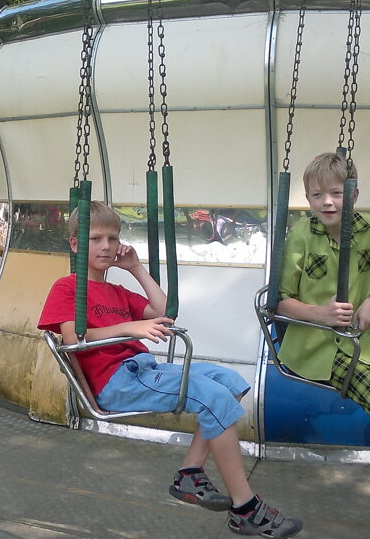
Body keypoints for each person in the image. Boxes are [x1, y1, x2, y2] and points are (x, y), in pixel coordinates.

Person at [38, 201, 302, 538]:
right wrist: (130, 327)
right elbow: (73, 338)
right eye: (95, 239)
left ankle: (190, 472)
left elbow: (166, 311)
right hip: (114, 380)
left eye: (112, 238)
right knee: (213, 398)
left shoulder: (118, 291)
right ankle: (245, 508)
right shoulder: (66, 287)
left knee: (230, 382)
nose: (106, 246)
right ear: (76, 244)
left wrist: (136, 268)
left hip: (141, 370)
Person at [277, 152, 370, 413]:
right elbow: (280, 301)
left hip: (363, 339)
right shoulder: (300, 237)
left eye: (337, 193)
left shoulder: (368, 232)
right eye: (317, 195)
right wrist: (321, 314)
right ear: (308, 199)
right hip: (320, 348)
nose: (327, 202)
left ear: (354, 195)